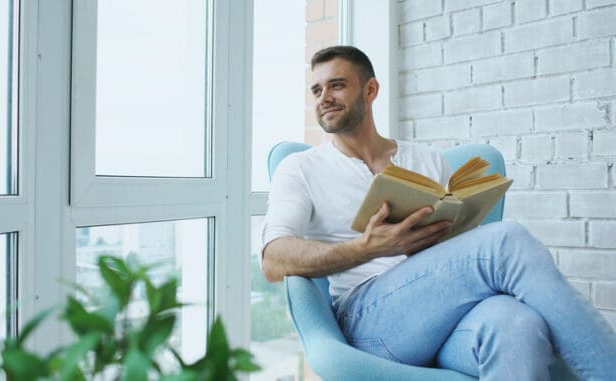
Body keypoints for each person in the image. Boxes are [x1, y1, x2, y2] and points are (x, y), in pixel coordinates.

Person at [261, 45, 616, 380]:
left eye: (337, 85)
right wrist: (368, 248)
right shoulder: (300, 168)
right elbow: (273, 260)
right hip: (367, 320)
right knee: (507, 241)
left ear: (370, 90)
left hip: (441, 315)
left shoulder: (426, 160)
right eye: (317, 90)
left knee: (516, 322)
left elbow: (453, 252)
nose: (324, 98)